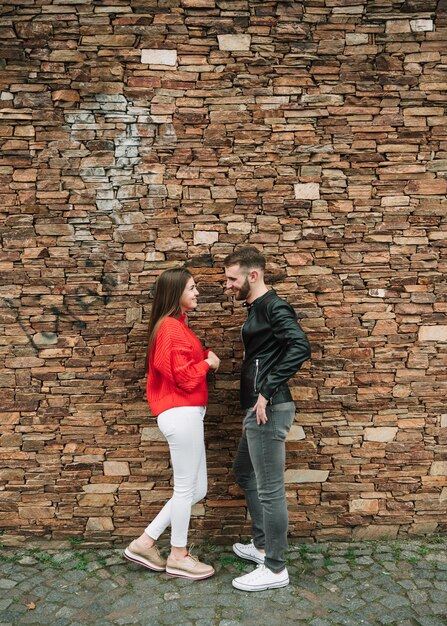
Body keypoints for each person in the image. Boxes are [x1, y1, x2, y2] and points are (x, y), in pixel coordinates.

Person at [124, 267, 220, 580]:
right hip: (180, 412)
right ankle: (179, 555)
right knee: (184, 488)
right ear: (175, 291)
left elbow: (179, 365)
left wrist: (201, 356)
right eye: (192, 288)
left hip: (188, 413)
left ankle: (145, 541)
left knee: (197, 489)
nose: (197, 293)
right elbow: (183, 376)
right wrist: (208, 362)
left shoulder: (178, 326)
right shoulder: (169, 328)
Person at [224, 247, 311, 592]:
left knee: (270, 489)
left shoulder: (273, 306)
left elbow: (299, 346)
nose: (227, 285)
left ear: (253, 275)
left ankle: (275, 568)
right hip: (257, 410)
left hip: (268, 410)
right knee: (244, 472)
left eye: (232, 278)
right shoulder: (257, 308)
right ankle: (261, 547)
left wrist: (267, 390)